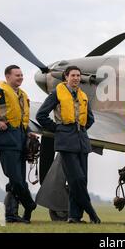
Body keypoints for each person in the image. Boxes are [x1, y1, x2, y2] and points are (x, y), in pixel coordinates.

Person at [36, 66, 100, 224]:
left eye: (78, 75)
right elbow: (41, 115)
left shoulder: (83, 95)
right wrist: (59, 129)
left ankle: (74, 216)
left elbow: (90, 118)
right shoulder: (56, 93)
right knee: (76, 179)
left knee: (80, 181)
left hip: (82, 142)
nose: (76, 78)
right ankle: (92, 213)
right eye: (73, 75)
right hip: (66, 142)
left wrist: (81, 130)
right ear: (66, 77)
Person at [0, 65, 37, 223]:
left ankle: (11, 215)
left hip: (20, 140)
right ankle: (30, 204)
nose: (21, 77)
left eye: (22, 75)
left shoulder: (22, 95)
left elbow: (21, 117)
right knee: (16, 179)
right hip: (6, 140)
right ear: (7, 77)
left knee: (17, 181)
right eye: (17, 75)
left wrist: (28, 131)